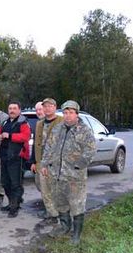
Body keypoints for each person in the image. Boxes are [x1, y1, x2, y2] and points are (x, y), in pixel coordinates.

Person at [40, 100, 96, 245]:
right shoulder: (58, 128)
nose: (68, 116)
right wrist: (45, 164)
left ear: (76, 114)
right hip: (57, 175)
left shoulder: (84, 130)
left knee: (77, 204)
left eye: (71, 113)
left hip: (75, 177)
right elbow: (49, 147)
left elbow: (90, 150)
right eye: (65, 113)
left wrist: (79, 165)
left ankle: (76, 234)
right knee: (61, 203)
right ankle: (64, 226)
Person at [0, 101, 31, 218]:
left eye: (14, 108)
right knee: (5, 182)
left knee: (16, 183)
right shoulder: (5, 122)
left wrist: (10, 136)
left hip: (16, 157)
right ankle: (11, 203)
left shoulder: (23, 123)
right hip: (4, 156)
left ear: (19, 110)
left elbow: (26, 136)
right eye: (10, 108)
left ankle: (15, 206)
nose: (12, 111)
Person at [31, 98, 63, 225]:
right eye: (45, 106)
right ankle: (52, 214)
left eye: (50, 106)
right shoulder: (40, 123)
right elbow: (36, 144)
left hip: (56, 163)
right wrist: (34, 161)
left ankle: (60, 214)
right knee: (44, 189)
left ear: (55, 107)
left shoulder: (62, 121)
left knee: (56, 190)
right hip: (42, 162)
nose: (47, 108)